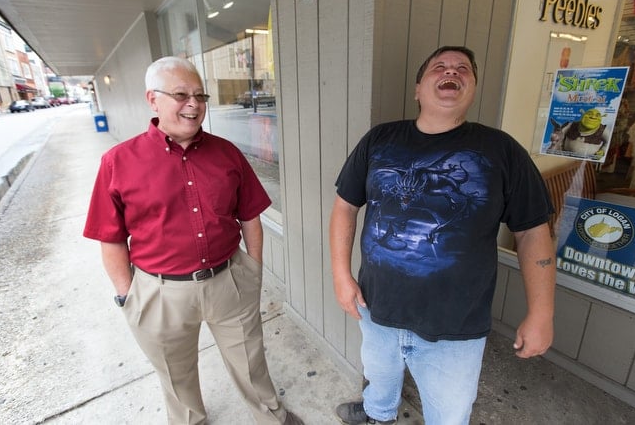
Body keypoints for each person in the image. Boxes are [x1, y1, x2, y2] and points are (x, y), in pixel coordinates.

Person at [330, 46, 556, 425]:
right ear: (419, 88)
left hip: (456, 326)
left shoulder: (502, 152)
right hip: (377, 306)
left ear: (472, 88)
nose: (451, 71)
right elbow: (345, 206)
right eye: (440, 67)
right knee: (379, 377)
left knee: (449, 416)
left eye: (462, 68)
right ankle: (377, 414)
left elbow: (533, 232)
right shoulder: (380, 140)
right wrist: (341, 274)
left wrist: (542, 313)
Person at [83, 56, 303, 425]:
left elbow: (250, 214)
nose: (194, 104)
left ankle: (271, 417)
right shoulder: (117, 161)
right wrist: (129, 296)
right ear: (152, 100)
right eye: (181, 94)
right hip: (160, 291)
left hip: (228, 279)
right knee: (175, 373)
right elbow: (111, 238)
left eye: (200, 95)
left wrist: (252, 268)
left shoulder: (227, 153)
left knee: (250, 361)